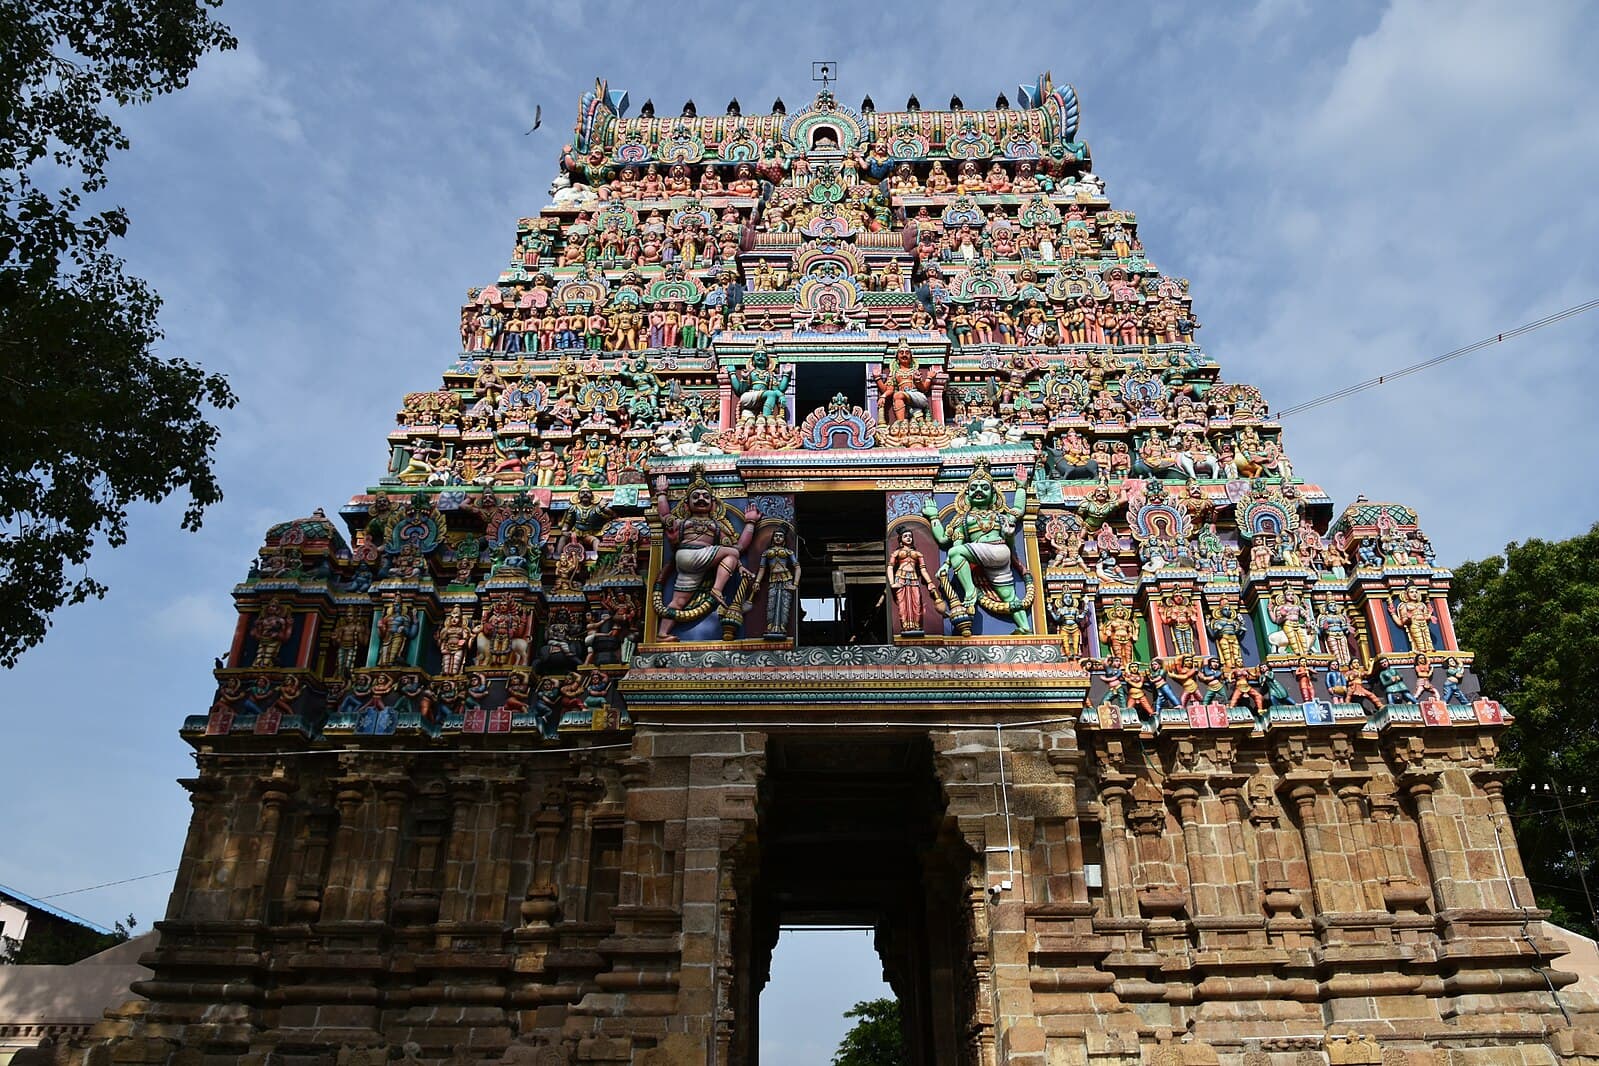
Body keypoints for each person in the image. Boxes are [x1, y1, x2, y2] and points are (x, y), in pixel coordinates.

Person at [887, 527, 945, 637]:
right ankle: (905, 626)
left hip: (914, 579)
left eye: (910, 536)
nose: (908, 538)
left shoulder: (918, 554)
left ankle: (916, 625)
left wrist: (930, 582)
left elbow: (923, 570)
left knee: (917, 602)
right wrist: (892, 583)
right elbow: (890, 567)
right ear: (900, 539)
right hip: (900, 578)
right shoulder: (897, 553)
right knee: (903, 604)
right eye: (905, 536)